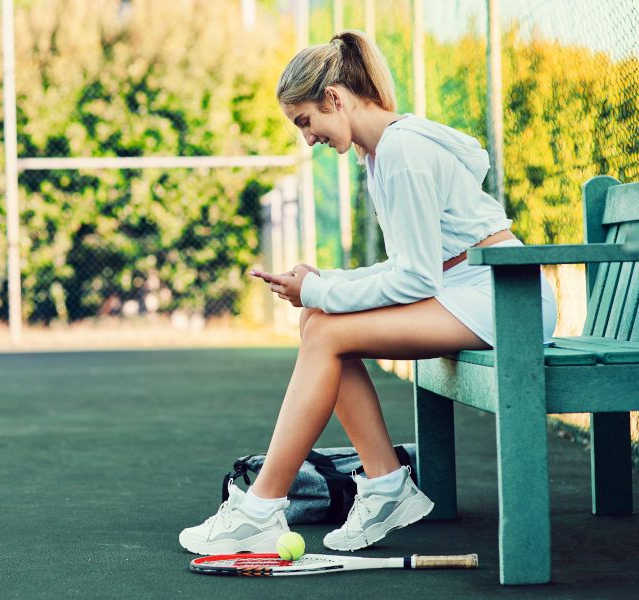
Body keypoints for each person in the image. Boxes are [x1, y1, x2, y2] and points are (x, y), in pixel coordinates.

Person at [179, 30, 558, 555]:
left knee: (325, 327)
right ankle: (384, 485)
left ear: (334, 98)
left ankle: (262, 509)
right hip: (465, 289)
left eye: (305, 122)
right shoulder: (381, 154)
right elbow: (409, 266)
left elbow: (417, 280)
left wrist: (320, 287)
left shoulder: (401, 151)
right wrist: (320, 286)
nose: (307, 139)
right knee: (317, 323)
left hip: (504, 298)